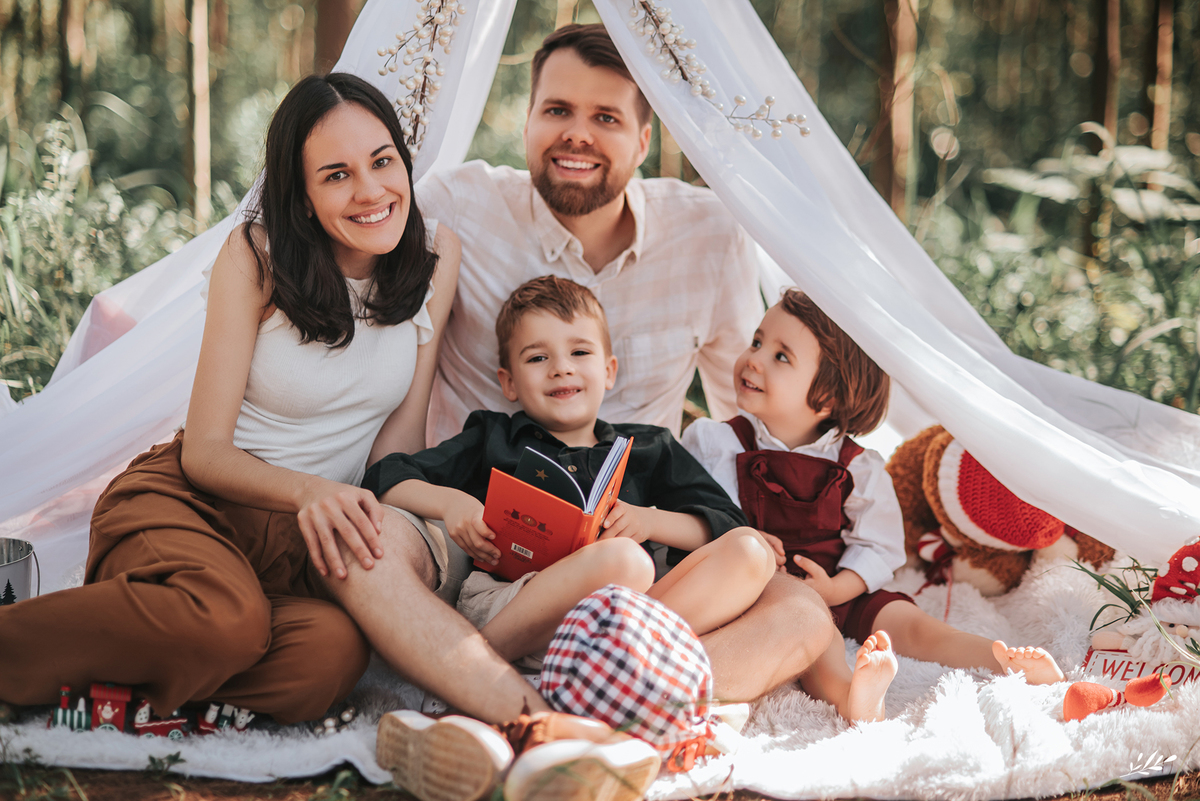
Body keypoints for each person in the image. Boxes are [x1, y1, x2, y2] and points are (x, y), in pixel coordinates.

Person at [0, 72, 459, 725]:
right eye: (336, 175)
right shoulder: (255, 255)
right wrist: (309, 492)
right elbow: (206, 453)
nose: (371, 190)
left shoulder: (438, 253)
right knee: (231, 621)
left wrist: (428, 519)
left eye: (383, 161)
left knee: (330, 657)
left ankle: (125, 664)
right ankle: (76, 638)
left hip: (297, 548)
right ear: (300, 197)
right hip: (193, 505)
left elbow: (398, 442)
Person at [412, 22, 836, 705]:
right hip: (500, 548)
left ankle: (600, 697)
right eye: (557, 110)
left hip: (647, 559)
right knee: (631, 571)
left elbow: (744, 409)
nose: (576, 134)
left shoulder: (708, 234)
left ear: (645, 140)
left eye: (605, 117)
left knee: (802, 616)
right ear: (527, 122)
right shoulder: (460, 205)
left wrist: (790, 525)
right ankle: (535, 683)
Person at [681, 289, 1069, 716]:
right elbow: (713, 525)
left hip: (844, 584)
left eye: (781, 356)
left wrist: (837, 588)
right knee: (817, 640)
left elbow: (879, 547)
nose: (753, 358)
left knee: (915, 627)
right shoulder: (718, 444)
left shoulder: (857, 467)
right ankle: (854, 697)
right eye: (757, 342)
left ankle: (1004, 659)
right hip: (770, 592)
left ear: (827, 398)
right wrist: (808, 596)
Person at [365, 276, 778, 665]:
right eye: (538, 357)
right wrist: (453, 503)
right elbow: (386, 476)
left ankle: (613, 670)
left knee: (749, 552)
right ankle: (469, 669)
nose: (561, 367)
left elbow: (726, 524)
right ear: (508, 383)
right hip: (516, 605)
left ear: (609, 370)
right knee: (624, 561)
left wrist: (649, 521)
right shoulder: (493, 436)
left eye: (580, 352)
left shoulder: (651, 446)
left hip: (628, 617)